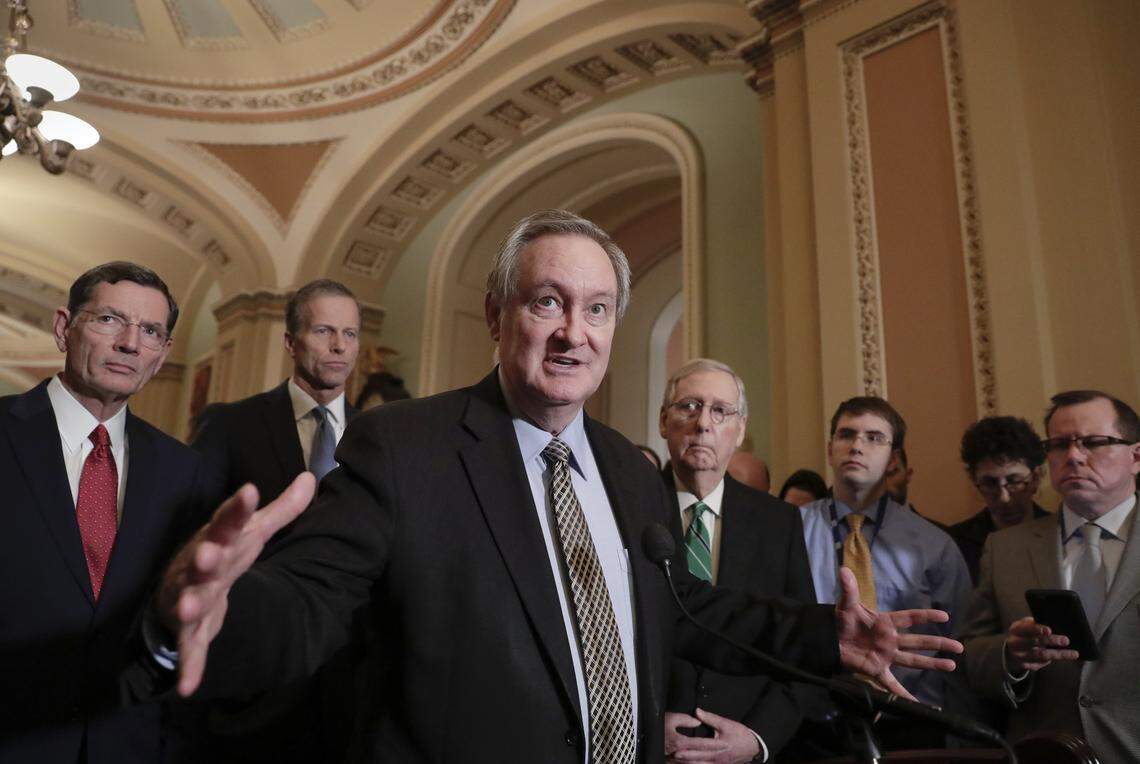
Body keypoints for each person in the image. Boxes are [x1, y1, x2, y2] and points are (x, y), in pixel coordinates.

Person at [134, 210, 962, 763]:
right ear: (497, 316)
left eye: (597, 310)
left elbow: (682, 609)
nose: (574, 333)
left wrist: (830, 639)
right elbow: (314, 600)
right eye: (548, 304)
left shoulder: (630, 476)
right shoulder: (406, 446)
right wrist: (208, 613)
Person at [0, 262, 215, 763]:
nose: (130, 343)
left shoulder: (185, 470)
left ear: (161, 357)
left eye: (151, 332)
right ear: (63, 327)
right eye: (110, 320)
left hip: (127, 743)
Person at [179, 279, 364, 763]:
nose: (340, 345)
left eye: (351, 333)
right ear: (290, 341)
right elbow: (191, 531)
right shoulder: (229, 423)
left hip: (347, 680)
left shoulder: (380, 437)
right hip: (249, 679)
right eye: (324, 330)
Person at [959, 390, 1140, 762]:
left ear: (1135, 456)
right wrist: (1010, 654)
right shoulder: (1004, 548)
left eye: (1094, 442)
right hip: (1041, 751)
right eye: (1059, 445)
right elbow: (971, 655)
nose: (1073, 456)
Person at [659, 359, 817, 763]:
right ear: (664, 422)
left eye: (720, 411)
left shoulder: (778, 522)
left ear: (740, 429)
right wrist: (640, 723)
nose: (703, 424)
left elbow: (801, 653)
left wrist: (757, 739)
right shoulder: (623, 509)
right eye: (689, 406)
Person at [799, 397, 972, 748]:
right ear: (831, 449)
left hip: (913, 718)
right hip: (812, 718)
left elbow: (962, 641)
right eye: (846, 435)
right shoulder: (789, 530)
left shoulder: (933, 544)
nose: (857, 446)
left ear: (894, 459)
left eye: (874, 437)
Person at [949, 416, 1050, 584]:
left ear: (1036, 477)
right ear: (974, 479)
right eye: (990, 483)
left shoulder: (1059, 534)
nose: (1003, 497)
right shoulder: (955, 543)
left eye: (1014, 481)